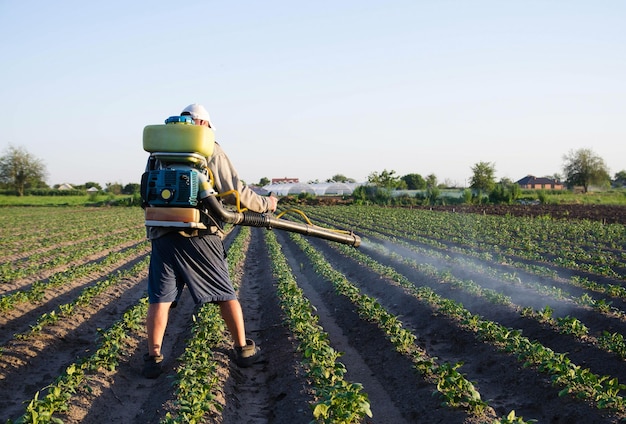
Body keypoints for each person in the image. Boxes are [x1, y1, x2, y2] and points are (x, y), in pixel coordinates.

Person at [142, 103, 278, 378]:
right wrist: (266, 204)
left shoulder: (159, 150)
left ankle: (153, 357)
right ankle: (243, 349)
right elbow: (233, 192)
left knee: (160, 298)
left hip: (162, 230)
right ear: (203, 124)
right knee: (224, 292)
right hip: (200, 233)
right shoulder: (207, 147)